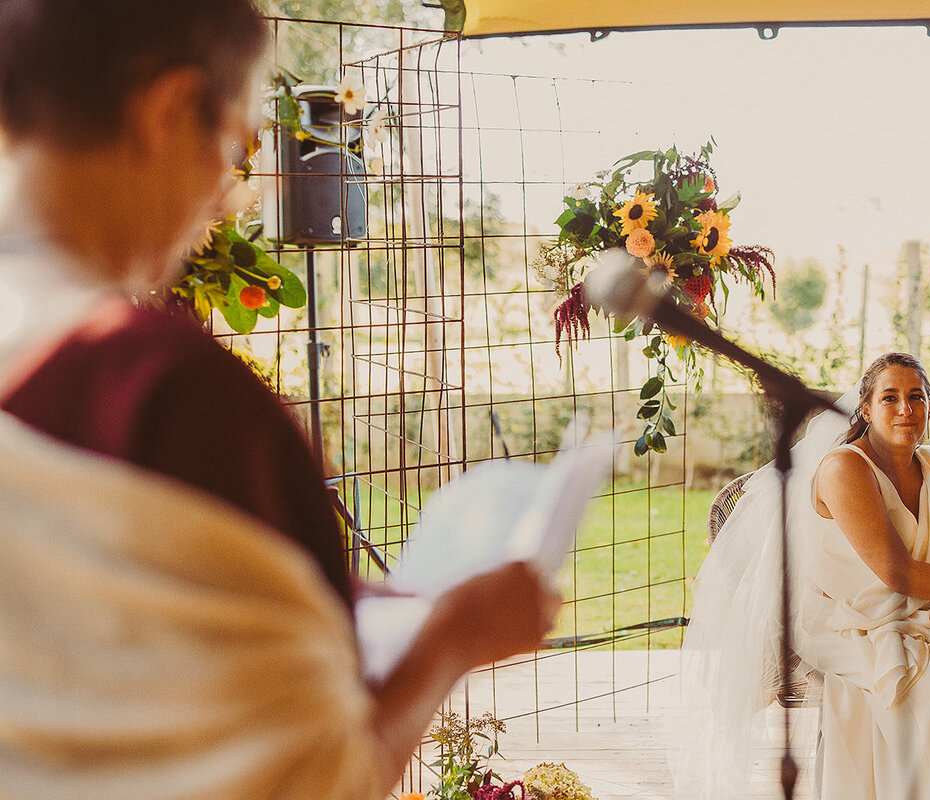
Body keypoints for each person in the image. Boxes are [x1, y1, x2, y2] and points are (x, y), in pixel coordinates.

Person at [0, 2, 558, 799]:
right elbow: (315, 777)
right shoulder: (162, 390)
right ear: (165, 110)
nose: (227, 198)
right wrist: (455, 639)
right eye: (233, 145)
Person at [673, 352, 930, 800]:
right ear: (866, 409)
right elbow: (896, 572)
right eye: (890, 398)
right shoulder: (845, 468)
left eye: (916, 397)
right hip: (844, 618)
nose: (905, 409)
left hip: (927, 614)